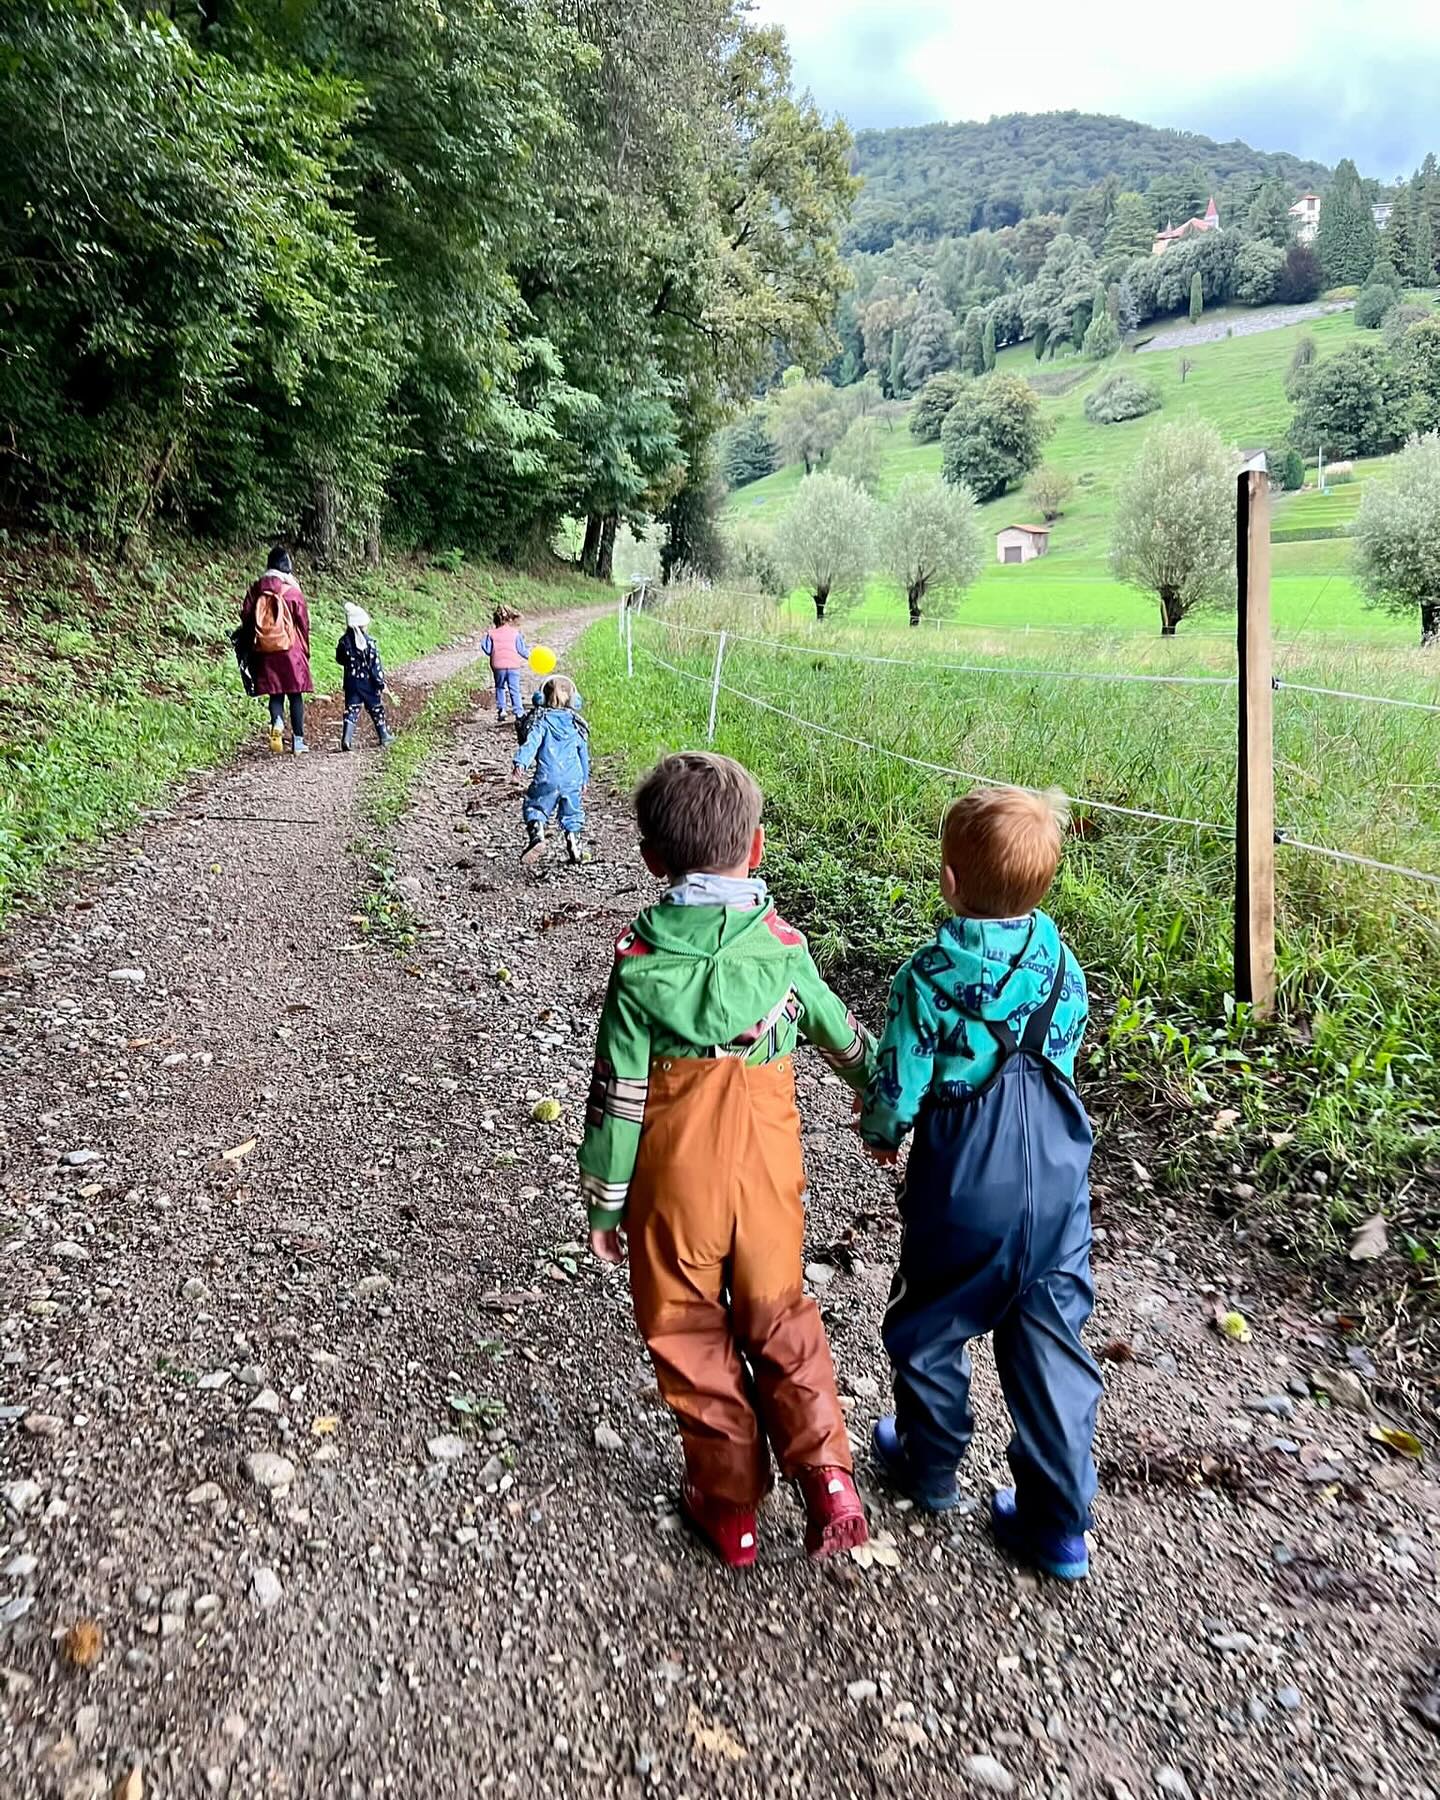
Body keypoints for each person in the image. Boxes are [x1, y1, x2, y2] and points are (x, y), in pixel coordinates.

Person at [578, 751, 875, 1567]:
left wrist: (607, 1202)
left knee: (689, 1331)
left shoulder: (639, 965)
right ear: (758, 846)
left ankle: (732, 1507)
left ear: (651, 860)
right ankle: (828, 1480)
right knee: (781, 1314)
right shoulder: (782, 948)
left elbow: (618, 1095)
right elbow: (840, 1032)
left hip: (675, 1181)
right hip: (768, 1171)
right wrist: (877, 1094)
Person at [859, 786, 1100, 1582]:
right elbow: (1067, 1046)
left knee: (933, 1319)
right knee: (1051, 1339)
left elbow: (897, 1081)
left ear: (949, 883)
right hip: (1059, 1175)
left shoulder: (926, 979)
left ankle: (928, 1465)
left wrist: (884, 1134)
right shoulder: (1064, 965)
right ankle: (1059, 1525)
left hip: (965, 1177)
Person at [241, 546, 313, 755]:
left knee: (275, 693)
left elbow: (246, 617)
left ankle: (277, 722)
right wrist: (305, 648)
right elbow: (303, 622)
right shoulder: (292, 591)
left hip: (265, 650)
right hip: (291, 649)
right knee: (295, 695)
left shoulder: (257, 589)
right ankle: (298, 742)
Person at [512, 675, 590, 865]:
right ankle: (574, 843)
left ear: (541, 698)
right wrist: (584, 780)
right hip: (573, 777)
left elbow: (531, 743)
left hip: (548, 776)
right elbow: (583, 754)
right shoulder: (576, 724)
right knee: (572, 812)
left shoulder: (541, 721)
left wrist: (520, 762)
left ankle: (537, 833)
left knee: (535, 805)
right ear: (574, 700)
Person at [335, 602, 393, 751]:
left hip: (351, 683)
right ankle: (383, 735)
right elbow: (375, 666)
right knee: (376, 709)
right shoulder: (369, 644)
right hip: (368, 684)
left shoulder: (344, 642)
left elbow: (339, 659)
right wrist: (380, 683)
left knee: (352, 709)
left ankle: (346, 738)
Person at [482, 606, 530, 725]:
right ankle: (518, 712)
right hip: (513, 665)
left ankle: (502, 710)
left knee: (500, 687)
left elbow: (487, 649)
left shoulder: (491, 634)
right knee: (515, 689)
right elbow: (522, 650)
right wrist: (532, 657)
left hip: (498, 666)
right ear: (509, 619)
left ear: (495, 620)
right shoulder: (515, 633)